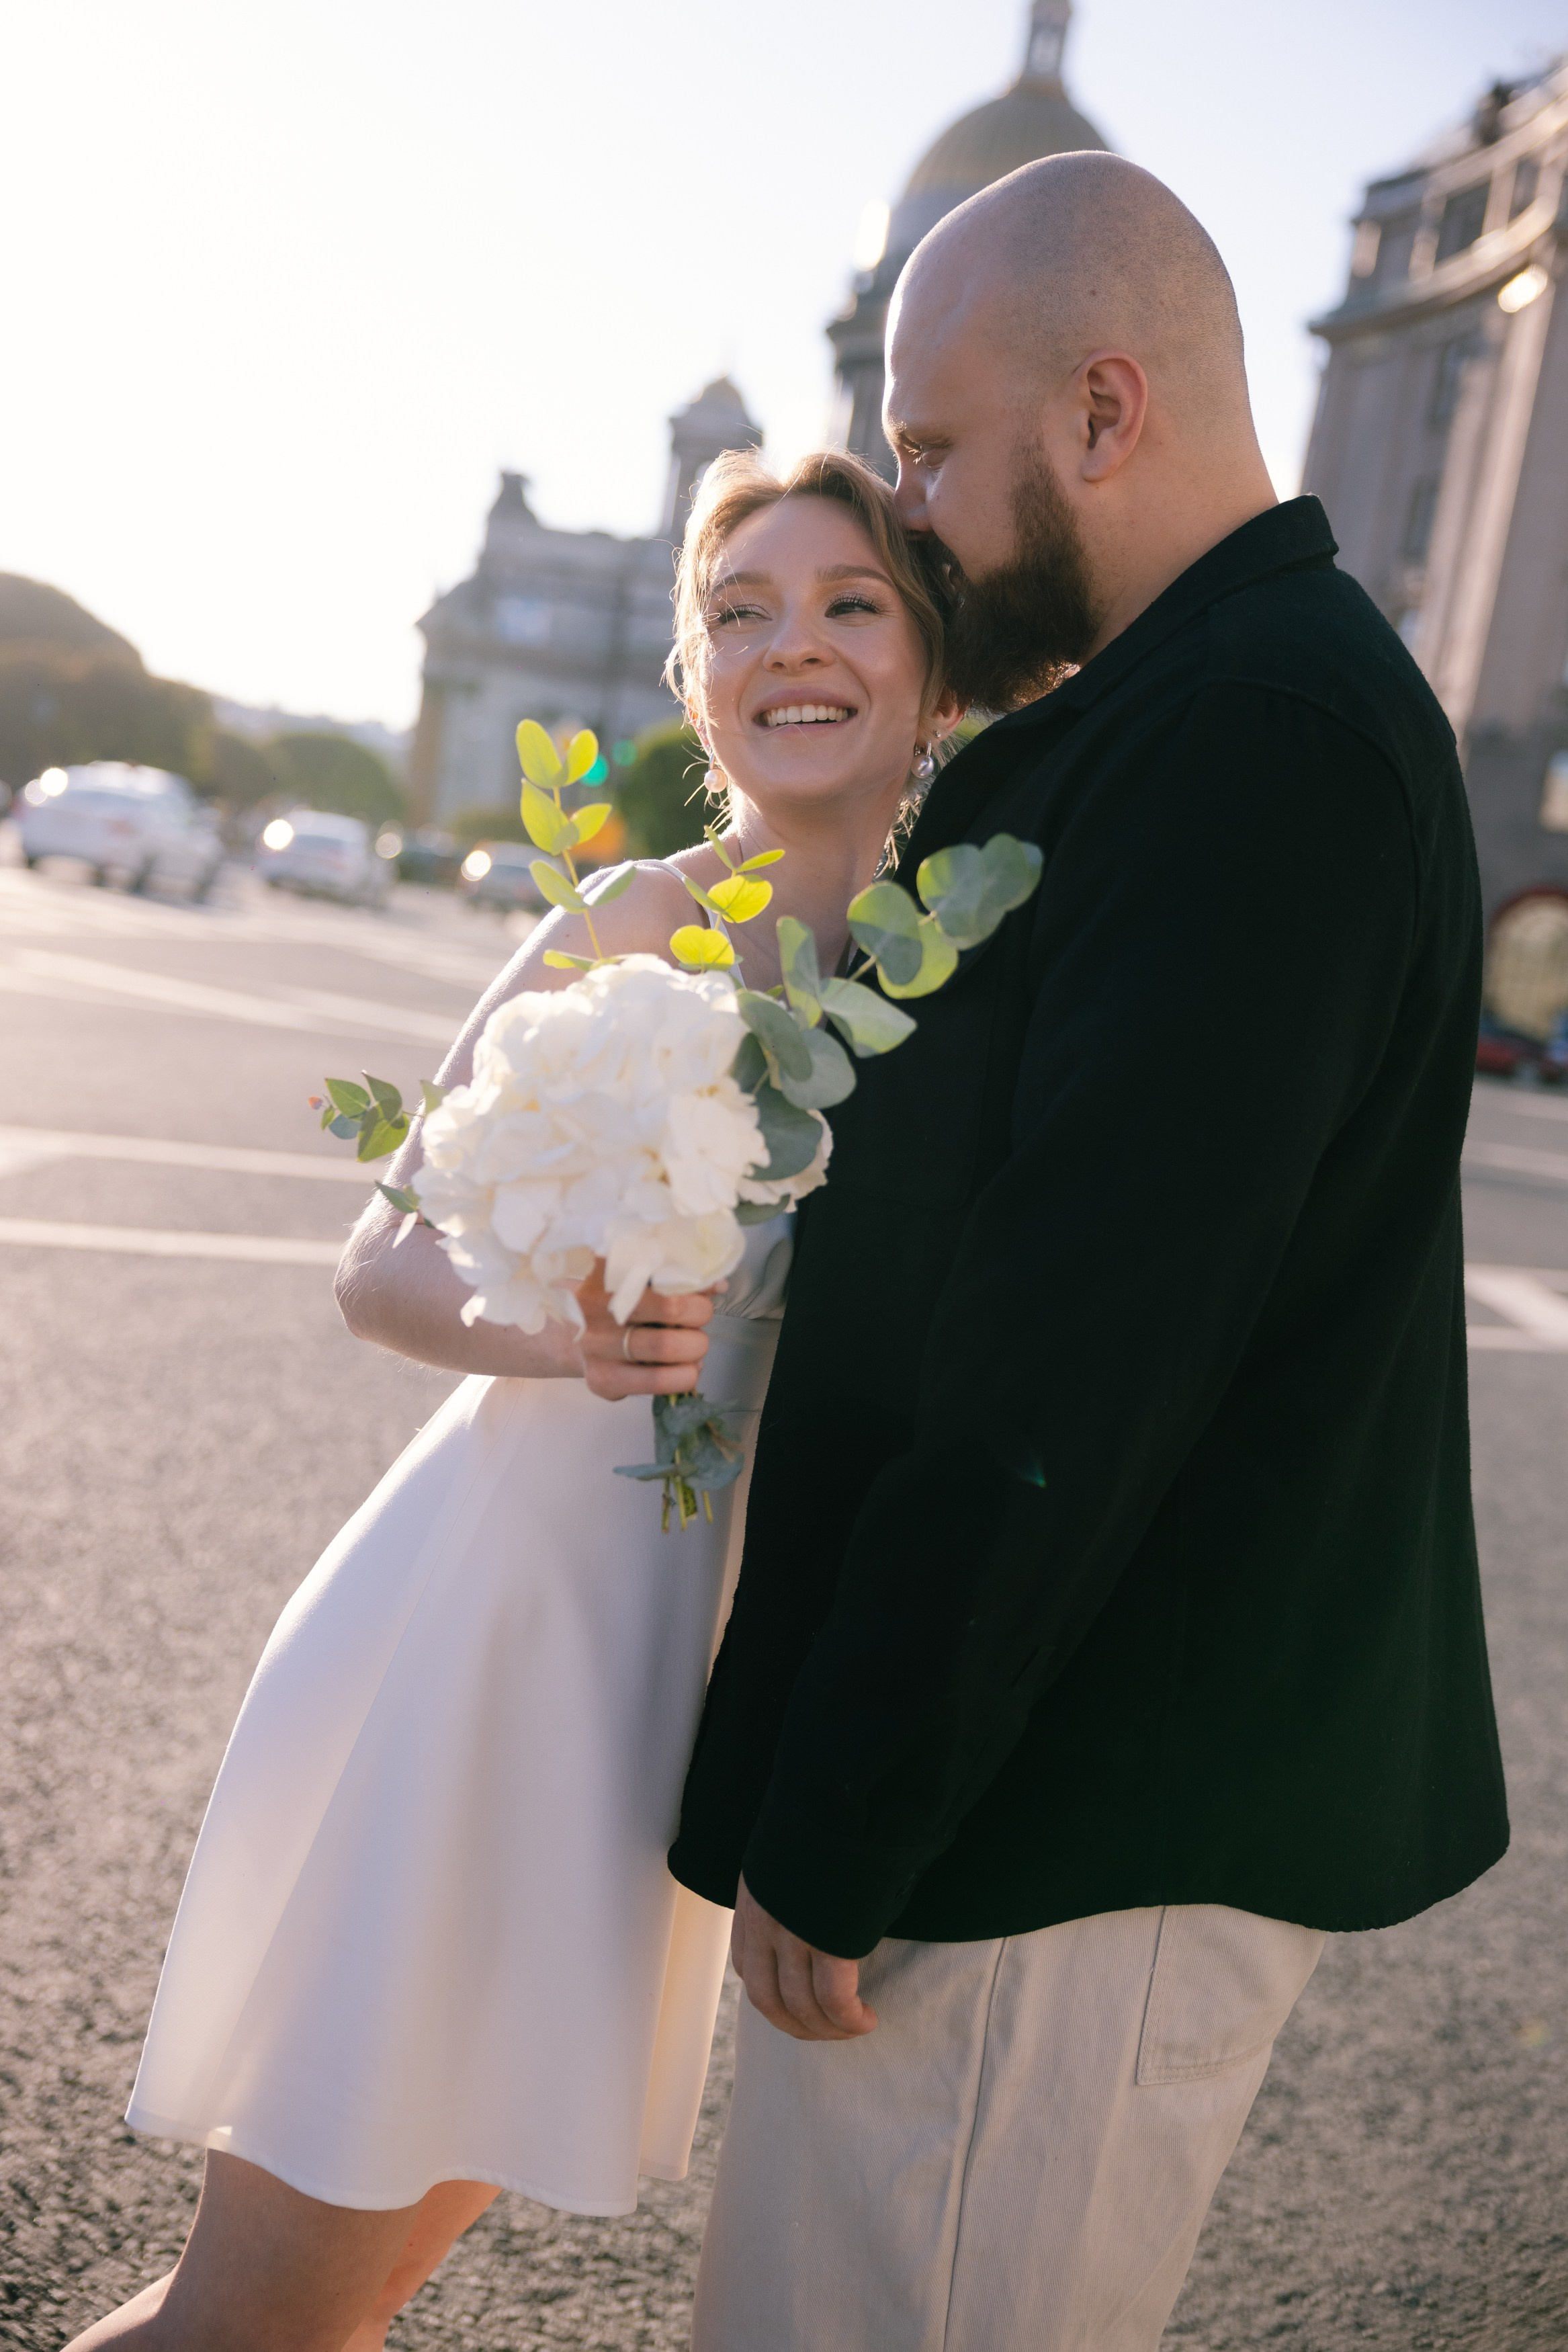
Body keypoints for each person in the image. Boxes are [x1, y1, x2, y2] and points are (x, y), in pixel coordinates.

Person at [668, 153, 1510, 2350]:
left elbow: (1089, 1339)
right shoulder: (1193, 704)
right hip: (1046, 1792)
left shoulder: (1253, 732)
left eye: (935, 450)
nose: (910, 512)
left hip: (1064, 1825)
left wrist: (851, 1807)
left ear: (1107, 410)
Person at [66, 450, 959, 2352]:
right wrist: (562, 1335)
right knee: (248, 2320)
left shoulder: (952, 970)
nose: (788, 643)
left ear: (935, 659)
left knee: (354, 2301)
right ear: (695, 679)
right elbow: (377, 1263)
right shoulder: (634, 922)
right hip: (494, 1652)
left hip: (670, 1709)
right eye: (740, 612)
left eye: (849, 601)